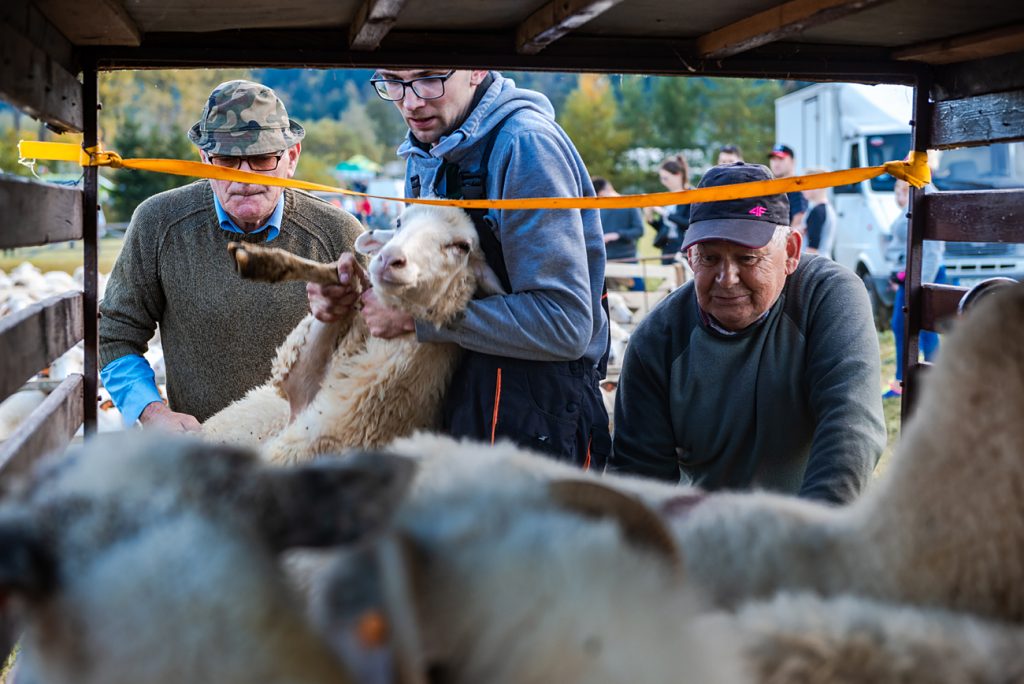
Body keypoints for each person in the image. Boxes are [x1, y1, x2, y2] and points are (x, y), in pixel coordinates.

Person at [307, 68, 610, 467]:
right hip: (455, 391)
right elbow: (433, 280)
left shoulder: (525, 147)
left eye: (429, 78)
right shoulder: (424, 152)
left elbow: (565, 325)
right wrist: (366, 287)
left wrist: (419, 322)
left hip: (538, 414)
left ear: (476, 69)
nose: (411, 101)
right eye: (393, 82)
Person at [610, 163, 886, 505]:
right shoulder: (657, 340)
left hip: (815, 530)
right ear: (690, 258)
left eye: (747, 258)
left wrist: (814, 537)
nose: (727, 278)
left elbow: (852, 428)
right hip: (708, 539)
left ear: (791, 253)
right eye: (710, 258)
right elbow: (639, 480)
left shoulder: (828, 296)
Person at [99, 80, 364, 430]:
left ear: (292, 158)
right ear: (204, 159)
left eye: (262, 158)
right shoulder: (159, 224)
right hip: (206, 452)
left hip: (312, 448)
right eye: (226, 160)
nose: (244, 178)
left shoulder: (337, 233)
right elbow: (115, 335)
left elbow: (379, 338)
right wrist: (153, 413)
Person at [883, 179, 945, 398]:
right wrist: (898, 272)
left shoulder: (924, 191)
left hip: (924, 275)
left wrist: (918, 287)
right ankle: (906, 380)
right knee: (902, 326)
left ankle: (928, 382)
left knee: (921, 328)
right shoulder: (912, 196)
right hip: (909, 274)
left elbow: (932, 252)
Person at [593, 176, 645, 289]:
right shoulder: (598, 208)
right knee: (612, 299)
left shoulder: (630, 203)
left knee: (640, 293)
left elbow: (639, 230)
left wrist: (617, 235)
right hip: (606, 260)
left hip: (628, 258)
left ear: (603, 192)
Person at [651, 154, 691, 264]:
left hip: (684, 247)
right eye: (662, 178)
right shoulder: (667, 197)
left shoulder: (691, 195)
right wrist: (650, 219)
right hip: (667, 247)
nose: (663, 182)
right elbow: (662, 227)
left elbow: (689, 223)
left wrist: (665, 213)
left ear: (678, 175)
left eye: (666, 178)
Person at [768, 144, 808, 228]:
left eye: (781, 159)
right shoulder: (772, 188)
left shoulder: (797, 187)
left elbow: (798, 222)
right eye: (773, 159)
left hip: (785, 239)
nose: (776, 163)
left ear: (793, 162)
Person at [800, 176, 837, 258]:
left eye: (806, 186)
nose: (803, 190)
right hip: (824, 260)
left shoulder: (817, 212)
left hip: (815, 263)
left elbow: (812, 248)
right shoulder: (828, 209)